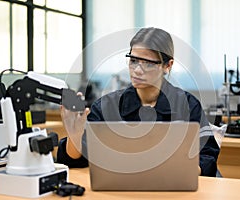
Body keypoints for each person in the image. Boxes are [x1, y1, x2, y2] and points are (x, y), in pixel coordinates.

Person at [57, 27, 220, 177]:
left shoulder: (188, 105)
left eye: (148, 63)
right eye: (133, 60)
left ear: (167, 65)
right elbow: (76, 161)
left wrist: (187, 169)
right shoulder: (106, 106)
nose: (137, 70)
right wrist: (75, 136)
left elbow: (208, 155)